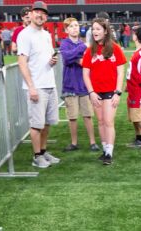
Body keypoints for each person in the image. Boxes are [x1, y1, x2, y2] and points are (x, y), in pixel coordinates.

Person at [18, 1, 61, 169]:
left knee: (47, 123)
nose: (40, 15)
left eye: (44, 13)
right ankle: (36, 156)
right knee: (36, 124)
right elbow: (22, 62)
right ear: (32, 13)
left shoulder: (46, 34)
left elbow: (45, 58)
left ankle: (43, 152)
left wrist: (52, 61)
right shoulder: (25, 34)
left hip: (49, 84)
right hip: (36, 86)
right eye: (37, 12)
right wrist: (31, 87)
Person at [82, 18, 126, 165]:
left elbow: (121, 72)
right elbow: (85, 74)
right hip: (95, 92)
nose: (95, 32)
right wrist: (91, 92)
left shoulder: (115, 48)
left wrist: (117, 92)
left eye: (98, 29)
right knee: (100, 122)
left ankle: (109, 152)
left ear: (105, 31)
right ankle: (105, 150)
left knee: (108, 121)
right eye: (93, 29)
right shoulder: (89, 50)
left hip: (111, 92)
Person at [59, 18, 99, 152]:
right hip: (70, 85)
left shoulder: (84, 45)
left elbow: (86, 62)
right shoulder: (65, 43)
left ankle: (93, 142)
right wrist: (81, 49)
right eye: (71, 26)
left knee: (88, 115)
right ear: (66, 30)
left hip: (83, 85)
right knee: (72, 117)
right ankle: (74, 143)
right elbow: (66, 57)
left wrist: (76, 58)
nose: (75, 28)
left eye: (76, 25)